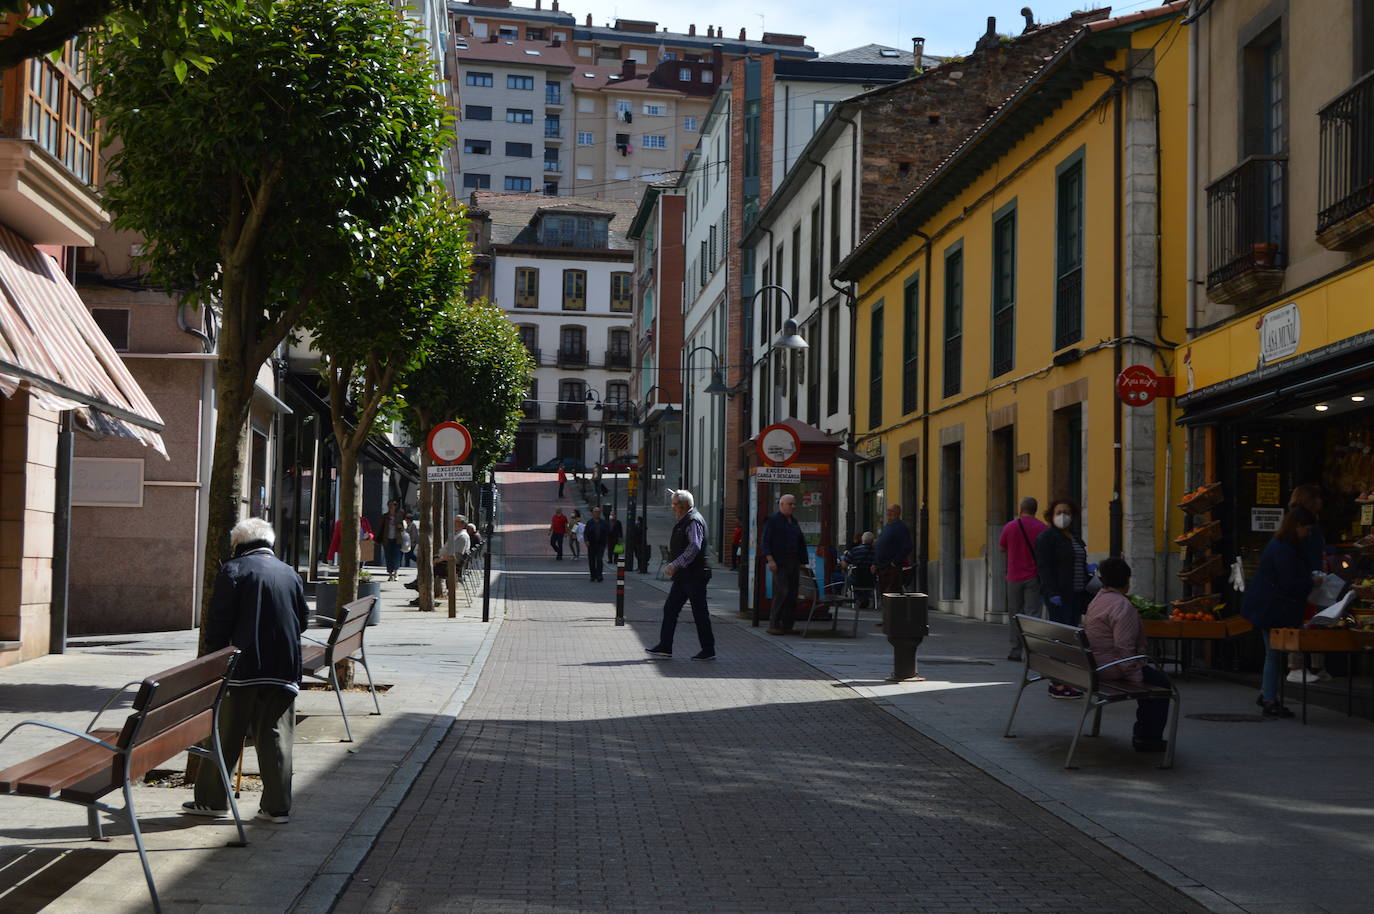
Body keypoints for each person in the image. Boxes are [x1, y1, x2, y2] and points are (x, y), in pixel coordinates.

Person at [182, 518, 308, 824]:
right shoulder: (290, 573)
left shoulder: (234, 570)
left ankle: (212, 800)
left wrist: (214, 658)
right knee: (276, 734)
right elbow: (302, 621)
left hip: (243, 668)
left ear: (239, 544)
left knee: (225, 733)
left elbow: (218, 624)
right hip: (284, 668)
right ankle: (277, 807)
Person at [1082, 557, 1173, 752]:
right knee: (1161, 683)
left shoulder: (1098, 599)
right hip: (1109, 668)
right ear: (1127, 580)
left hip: (1093, 664)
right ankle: (1147, 738)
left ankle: (1145, 734)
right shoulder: (1123, 607)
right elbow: (1125, 650)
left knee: (1153, 680)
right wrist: (1136, 675)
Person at [1242, 504, 1318, 718]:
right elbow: (1288, 582)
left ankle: (1267, 693)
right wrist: (1311, 581)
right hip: (1272, 608)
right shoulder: (1283, 548)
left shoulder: (1283, 545)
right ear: (1297, 526)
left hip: (1271, 606)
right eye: (1307, 529)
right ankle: (1269, 700)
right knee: (1273, 654)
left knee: (1273, 653)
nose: (1308, 534)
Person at [1034, 498, 1094, 699]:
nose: (1063, 516)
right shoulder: (1047, 537)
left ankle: (1065, 680)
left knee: (1071, 640)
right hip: (1060, 596)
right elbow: (1044, 568)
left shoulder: (1074, 537)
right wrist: (1052, 593)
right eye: (1059, 512)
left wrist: (1088, 572)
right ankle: (1057, 684)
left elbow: (1077, 561)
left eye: (1067, 512)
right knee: (1061, 639)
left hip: (1077, 594)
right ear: (1051, 515)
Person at [645, 489, 716, 661]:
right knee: (670, 609)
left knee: (699, 612)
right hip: (685, 576)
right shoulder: (685, 520)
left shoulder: (692, 521)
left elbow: (694, 547)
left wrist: (675, 564)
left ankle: (708, 650)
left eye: (674, 504)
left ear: (683, 506)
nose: (672, 507)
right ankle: (665, 646)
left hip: (695, 575)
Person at [1287, 484, 1329, 683]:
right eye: (1317, 498)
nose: (1321, 501)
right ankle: (1301, 665)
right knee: (1308, 619)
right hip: (1309, 575)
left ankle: (1311, 665)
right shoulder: (1301, 520)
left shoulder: (1305, 519)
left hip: (1312, 573)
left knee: (1312, 619)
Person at [999, 497, 1049, 662]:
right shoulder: (1043, 528)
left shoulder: (1010, 526)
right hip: (1034, 577)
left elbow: (1001, 547)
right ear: (1035, 510)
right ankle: (1032, 652)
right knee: (1033, 614)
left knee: (1015, 614)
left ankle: (1015, 650)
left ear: (1021, 509)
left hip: (1014, 576)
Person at [762, 493, 808, 635]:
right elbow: (765, 542)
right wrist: (770, 560)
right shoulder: (773, 521)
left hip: (794, 561)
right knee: (782, 592)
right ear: (781, 505)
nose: (793, 506)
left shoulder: (793, 521)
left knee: (792, 593)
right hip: (780, 562)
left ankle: (788, 625)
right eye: (790, 504)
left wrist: (802, 562)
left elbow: (800, 542)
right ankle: (774, 623)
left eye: (794, 504)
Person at [873, 504, 914, 594]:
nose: (888, 513)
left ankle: (892, 608)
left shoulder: (900, 527)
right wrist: (875, 563)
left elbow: (908, 546)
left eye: (891, 511)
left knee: (892, 593)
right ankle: (885, 608)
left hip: (891, 568)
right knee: (884, 594)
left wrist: (895, 562)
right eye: (888, 510)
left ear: (898, 513)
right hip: (882, 567)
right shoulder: (887, 526)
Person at [841, 532, 877, 608]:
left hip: (856, 579)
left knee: (847, 578)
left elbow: (844, 564)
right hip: (870, 580)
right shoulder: (876, 552)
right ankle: (865, 599)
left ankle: (855, 599)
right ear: (872, 541)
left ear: (862, 540)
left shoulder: (855, 550)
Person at [380, 499, 406, 581]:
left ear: (396, 506)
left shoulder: (399, 516)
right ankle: (390, 574)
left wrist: (400, 527)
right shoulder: (385, 516)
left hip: (397, 540)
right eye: (390, 505)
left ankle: (396, 573)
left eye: (393, 505)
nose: (391, 507)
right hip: (387, 540)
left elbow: (404, 528)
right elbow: (381, 528)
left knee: (397, 557)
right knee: (388, 557)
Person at [583, 506, 609, 582]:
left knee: (599, 560)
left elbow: (607, 532)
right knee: (591, 561)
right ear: (593, 513)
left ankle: (599, 576)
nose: (597, 514)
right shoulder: (589, 522)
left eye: (598, 512)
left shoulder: (603, 523)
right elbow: (585, 533)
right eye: (595, 512)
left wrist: (606, 541)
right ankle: (593, 576)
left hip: (601, 544)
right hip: (591, 544)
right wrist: (586, 540)